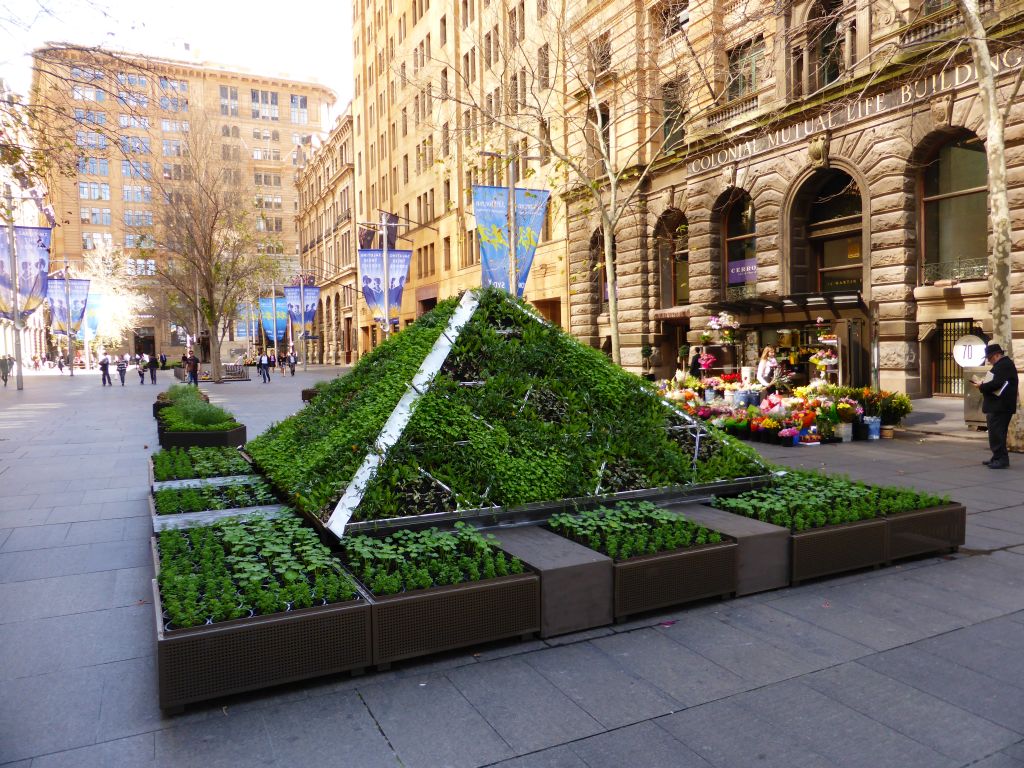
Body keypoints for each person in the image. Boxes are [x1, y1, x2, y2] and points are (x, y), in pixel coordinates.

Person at [971, 342, 1019, 469]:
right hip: (998, 406)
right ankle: (996, 457)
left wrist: (981, 386)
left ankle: (1001, 459)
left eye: (990, 358)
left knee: (997, 433)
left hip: (1000, 406)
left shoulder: (1003, 365)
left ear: (997, 355)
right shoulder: (1003, 364)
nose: (989, 361)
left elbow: (996, 384)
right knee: (996, 433)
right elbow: (996, 382)